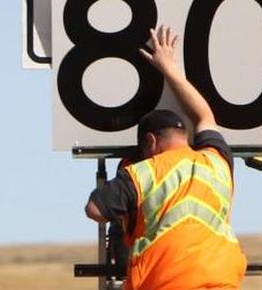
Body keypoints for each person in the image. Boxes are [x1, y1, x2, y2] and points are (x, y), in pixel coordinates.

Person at [85, 25, 247, 290]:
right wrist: (170, 69)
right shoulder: (217, 162)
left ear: (150, 142)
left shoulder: (142, 173)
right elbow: (204, 116)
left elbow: (95, 210)